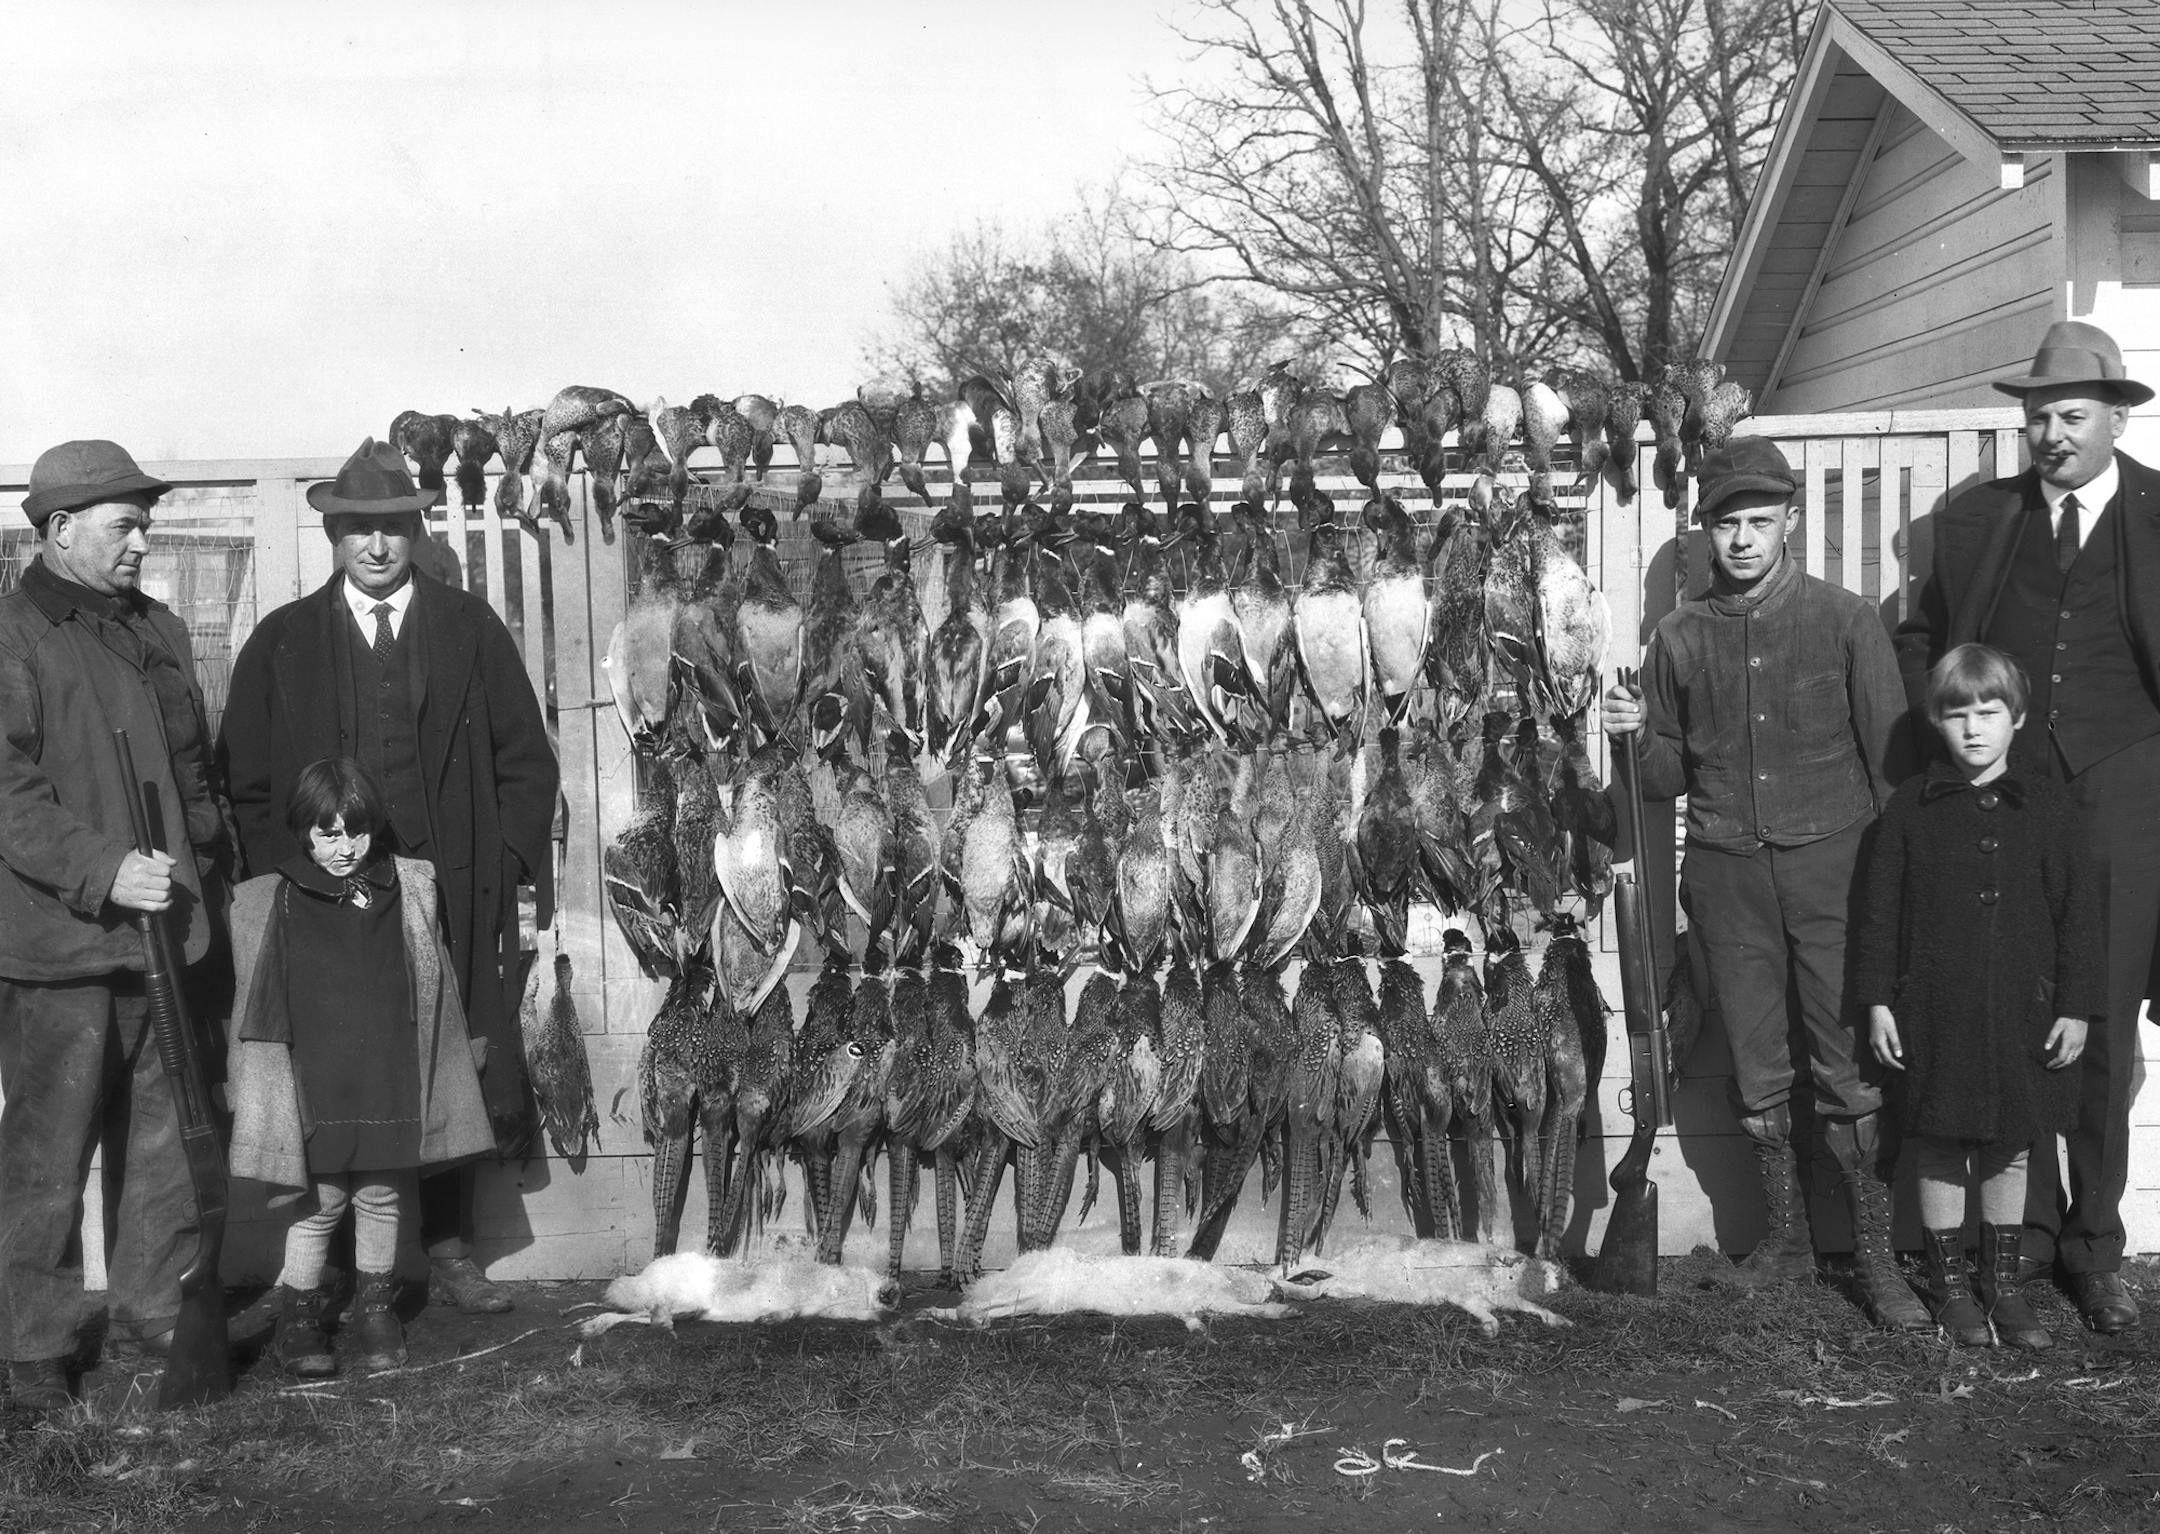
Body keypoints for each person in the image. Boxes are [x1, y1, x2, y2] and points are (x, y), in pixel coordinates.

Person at [219, 438, 557, 1314]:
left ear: (415, 532)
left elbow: (528, 763)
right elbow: (246, 783)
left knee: (448, 1058)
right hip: (324, 910)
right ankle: (325, 1273)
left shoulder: (468, 630)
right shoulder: (282, 641)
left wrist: (501, 867)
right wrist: (288, 886)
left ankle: (446, 1250)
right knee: (334, 1072)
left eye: (393, 528)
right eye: (358, 529)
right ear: (334, 536)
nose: (376, 546)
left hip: (442, 894)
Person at [1601, 435, 1928, 1332]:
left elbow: (1893, 766)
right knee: (1756, 1064)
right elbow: (1666, 774)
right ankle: (1784, 1245)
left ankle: (1870, 1256)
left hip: (1838, 872)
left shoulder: (1846, 620)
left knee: (1848, 1064)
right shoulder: (1678, 638)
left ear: (1790, 521)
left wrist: (1895, 889)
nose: (1742, 539)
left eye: (1758, 521)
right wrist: (1633, 733)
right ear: (1705, 533)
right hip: (1725, 875)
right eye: (1726, 524)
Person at [1894, 320, 2159, 1335]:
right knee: (2008, 1013)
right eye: (2040, 415)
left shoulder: (2156, 511)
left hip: (2130, 801)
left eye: (2073, 415)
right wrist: (1954, 742)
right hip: (2006, 803)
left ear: (2116, 417)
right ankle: (2024, 1242)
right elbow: (1924, 635)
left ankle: (2093, 1247)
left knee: (2097, 1025)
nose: (2052, 433)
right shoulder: (1977, 522)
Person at [0, 441, 227, 1412]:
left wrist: (210, 881)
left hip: (170, 941)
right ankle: (34, 1355)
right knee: (48, 1159)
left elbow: (195, 775)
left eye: (144, 522)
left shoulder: (161, 629)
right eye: (123, 525)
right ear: (57, 532)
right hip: (63, 948)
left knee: (167, 1149)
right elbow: (8, 793)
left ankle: (155, 1323)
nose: (143, 540)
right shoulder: (12, 637)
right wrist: (105, 869)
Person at [1854, 645, 2101, 1349]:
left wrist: (2075, 1005)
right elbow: (1879, 915)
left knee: (2009, 1147)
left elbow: (2078, 913)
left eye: (1988, 712)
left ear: (2016, 720)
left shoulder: (2047, 806)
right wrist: (1877, 1001)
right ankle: (1951, 1287)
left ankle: (2002, 1285)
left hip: (2023, 1009)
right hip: (1932, 1008)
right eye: (1957, 713)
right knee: (1937, 1141)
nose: (1973, 729)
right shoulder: (1910, 808)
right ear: (1936, 720)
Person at [226, 759, 494, 1375]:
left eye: (357, 831)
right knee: (318, 1203)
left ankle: (376, 1312)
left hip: (389, 1070)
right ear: (303, 832)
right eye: (327, 834)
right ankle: (298, 1323)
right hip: (317, 1078)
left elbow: (429, 982)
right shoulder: (279, 897)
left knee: (380, 1192)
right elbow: (263, 1002)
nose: (344, 848)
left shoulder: (406, 888)